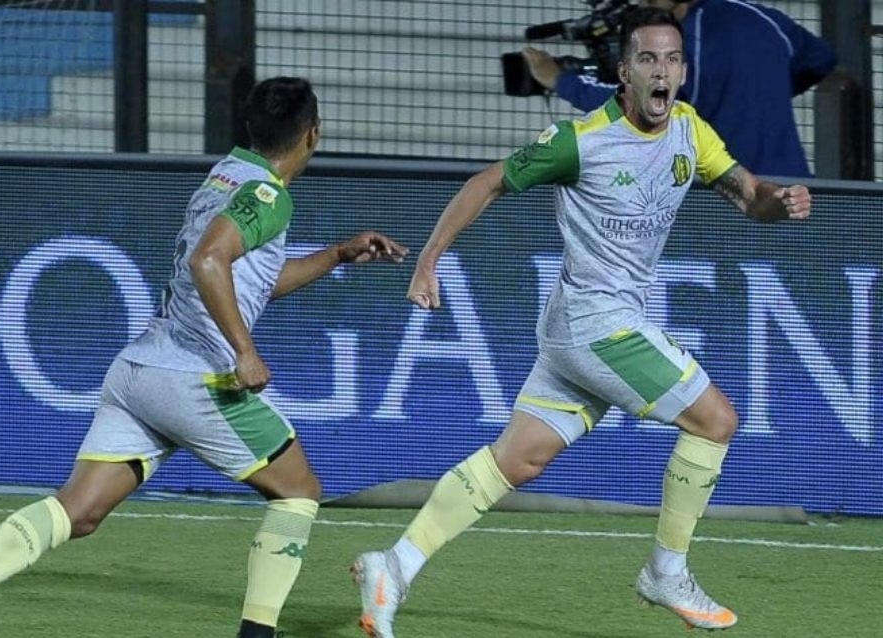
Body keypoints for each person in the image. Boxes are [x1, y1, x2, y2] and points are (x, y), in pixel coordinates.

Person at [353, 7, 810, 637]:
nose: (661, 71)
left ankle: (393, 566)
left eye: (672, 59)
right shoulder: (582, 140)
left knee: (517, 461)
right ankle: (666, 571)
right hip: (598, 325)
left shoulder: (689, 129)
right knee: (716, 420)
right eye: (647, 59)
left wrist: (779, 204)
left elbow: (748, 196)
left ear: (683, 71)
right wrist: (429, 261)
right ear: (624, 72)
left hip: (582, 328)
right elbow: (487, 183)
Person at [0, 76, 408, 638]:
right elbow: (209, 261)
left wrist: (338, 254)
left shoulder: (228, 174)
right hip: (196, 379)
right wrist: (244, 352)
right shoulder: (269, 195)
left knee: (79, 510)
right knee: (299, 489)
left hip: (141, 372)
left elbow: (248, 280)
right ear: (313, 134)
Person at [521, 0, 837, 178]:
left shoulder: (683, 43)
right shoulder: (761, 17)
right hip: (794, 189)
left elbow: (641, 106)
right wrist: (764, 93)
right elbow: (821, 58)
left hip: (723, 199)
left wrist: (560, 80)